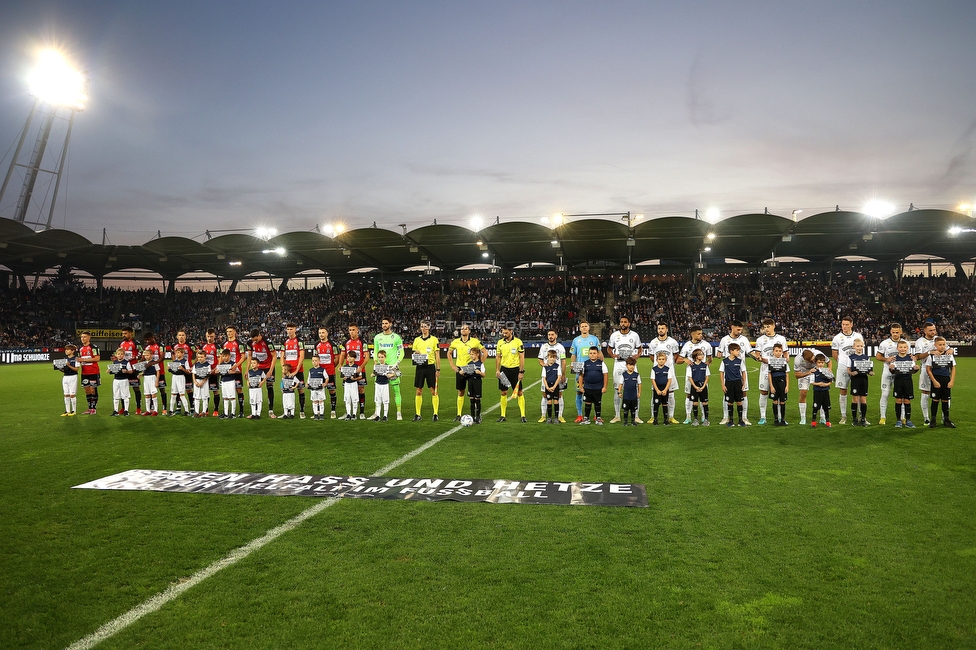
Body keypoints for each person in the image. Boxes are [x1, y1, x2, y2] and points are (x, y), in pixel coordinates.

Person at [716, 321, 753, 425]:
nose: (740, 331)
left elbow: (749, 351)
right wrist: (719, 354)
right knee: (727, 394)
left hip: (740, 371)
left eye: (741, 329)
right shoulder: (724, 340)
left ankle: (744, 417)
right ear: (732, 327)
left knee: (743, 394)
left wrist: (757, 356)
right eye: (738, 329)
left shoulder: (744, 339)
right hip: (729, 372)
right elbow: (719, 352)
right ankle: (726, 417)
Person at [754, 317, 789, 425]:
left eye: (768, 326)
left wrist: (786, 359)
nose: (766, 329)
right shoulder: (760, 340)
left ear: (774, 326)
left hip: (778, 371)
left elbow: (786, 354)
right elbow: (757, 354)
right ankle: (763, 417)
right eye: (764, 327)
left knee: (779, 394)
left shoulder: (781, 339)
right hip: (766, 370)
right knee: (764, 392)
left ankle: (780, 418)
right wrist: (760, 358)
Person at [607, 316, 641, 423]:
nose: (623, 323)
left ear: (629, 324)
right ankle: (617, 416)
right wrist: (613, 355)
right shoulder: (614, 335)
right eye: (621, 321)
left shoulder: (634, 335)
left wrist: (636, 356)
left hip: (631, 365)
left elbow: (640, 349)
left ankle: (636, 416)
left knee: (634, 389)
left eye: (625, 322)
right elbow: (609, 348)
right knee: (617, 389)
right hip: (619, 364)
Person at [448, 324, 486, 422]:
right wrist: (453, 366)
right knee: (460, 392)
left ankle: (477, 415)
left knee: (473, 394)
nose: (463, 330)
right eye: (462, 329)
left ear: (469, 331)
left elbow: (485, 352)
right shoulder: (455, 342)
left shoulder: (475, 341)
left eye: (466, 329)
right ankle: (459, 414)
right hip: (460, 369)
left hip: (471, 369)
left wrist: (479, 363)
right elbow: (449, 353)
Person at [831, 316, 864, 425]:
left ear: (851, 324)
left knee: (859, 392)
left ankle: (861, 416)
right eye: (843, 324)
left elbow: (861, 349)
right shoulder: (837, 337)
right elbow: (834, 353)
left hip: (857, 367)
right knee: (843, 390)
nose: (844, 326)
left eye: (846, 324)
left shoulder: (858, 336)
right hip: (843, 367)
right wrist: (842, 362)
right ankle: (843, 416)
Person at [646, 322, 680, 424]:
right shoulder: (653, 342)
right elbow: (652, 357)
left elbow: (676, 356)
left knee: (670, 395)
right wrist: (659, 366)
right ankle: (653, 416)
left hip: (669, 372)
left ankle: (671, 416)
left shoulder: (673, 342)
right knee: (654, 395)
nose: (660, 330)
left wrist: (668, 365)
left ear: (666, 330)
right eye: (659, 328)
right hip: (657, 372)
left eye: (662, 328)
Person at [678, 325, 712, 424]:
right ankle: (688, 416)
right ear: (692, 334)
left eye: (701, 333)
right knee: (689, 395)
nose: (701, 335)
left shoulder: (706, 345)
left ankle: (703, 416)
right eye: (698, 334)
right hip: (691, 375)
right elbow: (678, 360)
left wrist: (709, 362)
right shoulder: (687, 345)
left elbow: (710, 358)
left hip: (702, 374)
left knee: (702, 396)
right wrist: (685, 359)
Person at [373, 318, 405, 420]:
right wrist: (375, 365)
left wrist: (397, 363)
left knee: (396, 390)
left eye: (386, 323)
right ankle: (377, 413)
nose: (384, 325)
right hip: (381, 368)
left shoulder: (396, 337)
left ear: (390, 324)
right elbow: (375, 351)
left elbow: (402, 352)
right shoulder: (377, 337)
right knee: (378, 391)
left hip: (392, 367)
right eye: (383, 323)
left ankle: (398, 412)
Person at [875, 323, 906, 425]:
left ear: (901, 332)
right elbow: (878, 356)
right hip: (887, 372)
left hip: (900, 373)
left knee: (901, 396)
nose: (895, 334)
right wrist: (886, 359)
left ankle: (903, 417)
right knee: (885, 394)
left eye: (897, 332)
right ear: (890, 332)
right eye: (893, 332)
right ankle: (883, 417)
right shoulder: (885, 343)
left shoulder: (905, 343)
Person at [569, 322, 600, 423]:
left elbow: (599, 353)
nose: (584, 328)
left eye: (586, 326)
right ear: (580, 328)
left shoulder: (594, 339)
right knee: (579, 392)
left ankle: (596, 415)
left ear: (589, 328)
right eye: (582, 326)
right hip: (580, 369)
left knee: (595, 393)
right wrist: (573, 366)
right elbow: (573, 354)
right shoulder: (576, 340)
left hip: (593, 369)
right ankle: (580, 415)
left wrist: (601, 365)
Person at [494, 325, 526, 423]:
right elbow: (498, 357)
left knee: (519, 392)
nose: (504, 334)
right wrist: (497, 370)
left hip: (515, 370)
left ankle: (523, 415)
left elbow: (521, 357)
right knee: (504, 392)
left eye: (506, 333)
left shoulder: (518, 342)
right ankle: (503, 415)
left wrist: (521, 371)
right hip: (504, 370)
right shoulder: (500, 342)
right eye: (503, 333)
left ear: (511, 331)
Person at [337, 323, 369, 419]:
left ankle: (361, 412)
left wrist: (361, 367)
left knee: (361, 389)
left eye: (353, 330)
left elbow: (367, 356)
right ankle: (348, 412)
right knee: (348, 391)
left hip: (360, 369)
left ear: (357, 330)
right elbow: (342, 355)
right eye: (350, 330)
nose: (352, 332)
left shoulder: (363, 342)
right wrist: (340, 365)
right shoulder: (345, 343)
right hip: (348, 370)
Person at [924, 337, 956, 428]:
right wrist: (934, 381)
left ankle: (946, 419)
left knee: (945, 400)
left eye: (943, 345)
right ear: (935, 345)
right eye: (940, 345)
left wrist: (952, 380)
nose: (942, 347)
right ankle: (933, 420)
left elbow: (953, 368)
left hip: (946, 379)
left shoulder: (949, 355)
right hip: (936, 379)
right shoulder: (932, 356)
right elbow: (928, 369)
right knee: (935, 400)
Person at [411, 320, 441, 421]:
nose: (423, 328)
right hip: (420, 367)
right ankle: (418, 414)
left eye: (425, 326)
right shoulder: (416, 340)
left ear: (429, 328)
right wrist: (416, 353)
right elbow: (414, 354)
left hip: (430, 367)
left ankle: (435, 413)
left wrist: (438, 369)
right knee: (419, 390)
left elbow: (437, 355)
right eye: (421, 326)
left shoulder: (434, 340)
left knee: (433, 390)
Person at [913, 321, 940, 425]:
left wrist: (950, 349)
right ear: (924, 331)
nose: (933, 332)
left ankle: (944, 417)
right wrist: (929, 352)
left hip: (939, 368)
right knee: (925, 393)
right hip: (925, 368)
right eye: (931, 330)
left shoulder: (938, 339)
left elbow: (945, 349)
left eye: (934, 329)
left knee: (942, 392)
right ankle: (926, 418)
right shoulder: (920, 341)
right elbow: (918, 356)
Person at [537, 329, 567, 423]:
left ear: (556, 336)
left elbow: (563, 361)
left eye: (552, 334)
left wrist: (563, 374)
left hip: (557, 375)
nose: (550, 336)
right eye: (549, 334)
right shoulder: (544, 347)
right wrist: (544, 366)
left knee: (559, 395)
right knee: (545, 395)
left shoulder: (561, 347)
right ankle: (543, 416)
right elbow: (540, 359)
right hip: (547, 374)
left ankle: (560, 416)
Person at [793, 348, 826, 425]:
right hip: (804, 374)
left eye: (813, 359)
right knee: (803, 393)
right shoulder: (798, 360)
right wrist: (808, 373)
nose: (812, 362)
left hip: (817, 374)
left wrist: (829, 370)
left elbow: (829, 362)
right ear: (804, 359)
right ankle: (803, 417)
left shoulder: (818, 353)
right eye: (810, 361)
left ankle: (822, 417)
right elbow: (797, 375)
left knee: (821, 394)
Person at [889, 340, 918, 428]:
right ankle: (898, 420)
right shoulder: (894, 358)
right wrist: (891, 368)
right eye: (901, 347)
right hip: (898, 381)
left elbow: (913, 370)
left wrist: (917, 368)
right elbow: (892, 371)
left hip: (908, 381)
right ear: (897, 348)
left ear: (907, 348)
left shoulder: (911, 358)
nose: (902, 349)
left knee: (907, 400)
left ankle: (908, 420)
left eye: (904, 347)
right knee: (898, 400)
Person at [249, 329, 277, 418]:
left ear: (259, 335)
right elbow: (250, 355)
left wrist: (271, 370)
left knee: (269, 387)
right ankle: (255, 412)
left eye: (256, 339)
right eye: (253, 340)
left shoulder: (267, 342)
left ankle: (271, 410)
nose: (254, 342)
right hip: (259, 368)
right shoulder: (251, 343)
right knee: (256, 387)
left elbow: (274, 356)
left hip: (268, 367)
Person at [281, 323, 307, 419]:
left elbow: (302, 356)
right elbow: (282, 356)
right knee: (287, 390)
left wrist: (296, 371)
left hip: (298, 370)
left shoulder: (299, 341)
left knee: (300, 389)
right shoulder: (284, 342)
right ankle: (287, 411)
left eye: (291, 329)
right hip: (287, 371)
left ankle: (301, 410)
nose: (289, 331)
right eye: (288, 329)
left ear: (295, 329)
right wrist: (283, 370)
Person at [312, 326, 338, 419]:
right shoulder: (316, 344)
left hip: (330, 371)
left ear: (327, 333)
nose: (321, 335)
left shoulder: (332, 344)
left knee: (332, 391)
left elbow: (336, 358)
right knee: (318, 391)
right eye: (319, 333)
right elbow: (315, 358)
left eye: (323, 332)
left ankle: (333, 410)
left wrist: (331, 366)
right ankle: (318, 411)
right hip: (319, 373)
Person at [847, 338, 874, 427]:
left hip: (864, 379)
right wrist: (851, 373)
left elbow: (869, 369)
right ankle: (854, 419)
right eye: (857, 346)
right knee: (854, 399)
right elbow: (848, 369)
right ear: (854, 347)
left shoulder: (866, 357)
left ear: (863, 346)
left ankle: (863, 418)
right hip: (855, 380)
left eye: (861, 346)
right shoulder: (851, 357)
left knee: (863, 399)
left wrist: (871, 373)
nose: (859, 348)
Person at [578, 346, 608, 425]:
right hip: (587, 387)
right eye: (590, 353)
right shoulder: (585, 364)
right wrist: (581, 386)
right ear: (588, 354)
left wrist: (604, 387)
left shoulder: (601, 364)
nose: (592, 355)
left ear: (598, 354)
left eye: (594, 353)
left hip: (598, 388)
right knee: (587, 402)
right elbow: (581, 375)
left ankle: (598, 418)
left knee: (597, 403)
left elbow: (605, 375)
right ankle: (586, 418)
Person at [222, 325, 247, 418]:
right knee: (226, 392)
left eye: (231, 331)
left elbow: (243, 356)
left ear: (235, 332)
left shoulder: (239, 344)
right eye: (227, 331)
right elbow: (222, 356)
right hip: (226, 371)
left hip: (236, 371)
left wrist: (235, 365)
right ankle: (228, 412)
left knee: (238, 390)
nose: (229, 333)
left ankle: (241, 411)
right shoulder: (224, 344)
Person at [720, 342, 746, 427]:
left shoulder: (739, 361)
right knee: (730, 402)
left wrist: (744, 383)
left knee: (739, 402)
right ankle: (730, 420)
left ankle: (740, 420)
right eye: (737, 350)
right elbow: (721, 373)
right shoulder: (725, 361)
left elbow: (743, 372)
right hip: (729, 383)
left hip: (738, 383)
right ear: (731, 351)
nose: (738, 352)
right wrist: (723, 385)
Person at [119, 326, 143, 414]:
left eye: (125, 333)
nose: (124, 335)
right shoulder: (121, 343)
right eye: (123, 334)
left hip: (134, 368)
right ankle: (123, 408)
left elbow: (142, 353)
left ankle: (138, 408)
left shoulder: (136, 342)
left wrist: (134, 357)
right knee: (123, 388)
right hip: (124, 368)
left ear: (130, 333)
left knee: (136, 388)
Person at [78, 331, 101, 415]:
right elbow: (80, 360)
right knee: (87, 390)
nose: (82, 338)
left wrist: (83, 360)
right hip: (84, 372)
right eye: (81, 337)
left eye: (84, 337)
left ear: (89, 337)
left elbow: (97, 358)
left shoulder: (93, 347)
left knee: (93, 389)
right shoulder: (80, 349)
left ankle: (94, 408)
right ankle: (89, 407)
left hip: (93, 371)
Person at [767, 343, 790, 426]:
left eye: (780, 351)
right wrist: (771, 386)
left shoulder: (784, 361)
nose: (778, 352)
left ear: (782, 352)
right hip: (774, 382)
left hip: (782, 382)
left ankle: (783, 419)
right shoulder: (771, 361)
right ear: (773, 352)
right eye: (776, 351)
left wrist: (787, 385)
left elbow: (787, 374)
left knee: (783, 401)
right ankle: (776, 419)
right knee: (775, 400)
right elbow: (769, 374)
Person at [143, 333, 167, 415]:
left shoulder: (160, 345)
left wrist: (152, 363)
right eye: (146, 340)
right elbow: (143, 359)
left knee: (162, 389)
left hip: (160, 371)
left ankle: (164, 408)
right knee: (150, 391)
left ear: (153, 338)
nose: (147, 341)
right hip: (150, 372)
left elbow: (162, 358)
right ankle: (151, 409)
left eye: (148, 339)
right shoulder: (147, 347)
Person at [650, 351, 675, 425]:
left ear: (665, 360)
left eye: (663, 359)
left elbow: (669, 380)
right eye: (660, 359)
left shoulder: (667, 369)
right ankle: (655, 420)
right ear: (657, 360)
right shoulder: (654, 369)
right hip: (657, 389)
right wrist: (657, 389)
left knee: (665, 404)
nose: (661, 361)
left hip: (665, 389)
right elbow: (653, 380)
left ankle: (665, 420)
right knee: (656, 404)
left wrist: (665, 390)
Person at [686, 348, 710, 426]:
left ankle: (706, 419)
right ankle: (695, 419)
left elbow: (707, 377)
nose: (702, 356)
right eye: (700, 354)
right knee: (695, 403)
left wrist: (703, 386)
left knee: (705, 403)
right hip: (694, 386)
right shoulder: (691, 366)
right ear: (696, 356)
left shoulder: (705, 365)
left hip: (703, 386)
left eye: (702, 354)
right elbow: (690, 377)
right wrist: (695, 386)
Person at [173, 330, 194, 413]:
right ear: (177, 337)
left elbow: (199, 352)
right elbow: (173, 356)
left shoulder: (190, 345)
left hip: (187, 370)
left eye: (183, 335)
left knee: (189, 389)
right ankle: (178, 407)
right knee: (178, 389)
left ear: (185, 336)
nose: (181, 336)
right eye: (179, 335)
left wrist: (193, 364)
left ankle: (192, 407)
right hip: (179, 370)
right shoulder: (174, 346)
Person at [202, 328, 221, 417]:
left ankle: (216, 410)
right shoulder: (204, 347)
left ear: (214, 336)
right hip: (205, 372)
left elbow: (219, 358)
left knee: (215, 391)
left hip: (213, 372)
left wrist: (216, 369)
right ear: (206, 336)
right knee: (205, 391)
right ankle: (205, 409)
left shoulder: (217, 347)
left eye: (211, 336)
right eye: (208, 336)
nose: (209, 338)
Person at [371, 349, 395, 421]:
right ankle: (378, 415)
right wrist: (372, 375)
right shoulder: (376, 366)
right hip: (378, 384)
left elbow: (393, 374)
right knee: (378, 400)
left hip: (385, 384)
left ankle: (385, 416)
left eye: (382, 357)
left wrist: (388, 375)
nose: (380, 359)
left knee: (385, 400)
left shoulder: (387, 366)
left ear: (385, 357)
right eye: (379, 357)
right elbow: (374, 373)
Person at [167, 346, 192, 416]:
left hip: (181, 377)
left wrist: (182, 369)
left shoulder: (185, 362)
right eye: (176, 353)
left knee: (182, 395)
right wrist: (169, 369)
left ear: (182, 353)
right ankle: (171, 410)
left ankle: (187, 411)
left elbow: (188, 372)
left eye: (178, 353)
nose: (177, 354)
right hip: (174, 377)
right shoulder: (174, 362)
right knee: (173, 394)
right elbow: (173, 371)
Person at [811, 354, 833, 428]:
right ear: (816, 363)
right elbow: (811, 382)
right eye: (819, 362)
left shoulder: (827, 370)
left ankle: (827, 421)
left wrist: (826, 385)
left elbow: (831, 381)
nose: (821, 364)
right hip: (817, 391)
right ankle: (813, 422)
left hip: (825, 391)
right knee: (816, 407)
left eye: (822, 362)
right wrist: (818, 384)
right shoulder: (814, 371)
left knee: (826, 407)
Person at [109, 348, 133, 416]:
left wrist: (127, 371)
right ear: (116, 355)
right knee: (116, 396)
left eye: (121, 354)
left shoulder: (126, 362)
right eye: (118, 354)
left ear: (124, 355)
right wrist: (109, 371)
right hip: (116, 380)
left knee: (125, 395)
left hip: (124, 380)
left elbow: (130, 371)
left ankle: (126, 410)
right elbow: (113, 371)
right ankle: (115, 411)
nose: (120, 355)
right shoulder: (115, 362)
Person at [339, 351, 364, 420]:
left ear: (354, 358)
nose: (349, 358)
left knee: (354, 399)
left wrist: (355, 378)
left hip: (353, 384)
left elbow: (361, 377)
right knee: (347, 399)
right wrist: (344, 378)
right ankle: (348, 414)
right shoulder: (345, 367)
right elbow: (342, 376)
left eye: (351, 357)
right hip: (347, 384)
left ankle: (354, 414)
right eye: (348, 357)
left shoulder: (357, 367)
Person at [56, 344, 79, 416]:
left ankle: (74, 410)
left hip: (73, 377)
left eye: (68, 349)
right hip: (65, 377)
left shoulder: (76, 359)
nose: (66, 351)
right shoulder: (65, 360)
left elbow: (77, 369)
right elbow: (64, 370)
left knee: (72, 395)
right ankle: (67, 411)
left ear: (72, 351)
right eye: (66, 349)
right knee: (66, 394)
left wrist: (69, 365)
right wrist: (59, 368)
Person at [465, 346, 486, 424]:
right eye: (470, 354)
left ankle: (478, 416)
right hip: (470, 382)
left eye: (472, 354)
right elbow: (466, 374)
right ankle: (472, 416)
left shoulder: (480, 364)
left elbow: (484, 375)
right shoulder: (469, 363)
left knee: (477, 399)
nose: (471, 356)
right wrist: (464, 373)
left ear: (477, 354)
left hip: (477, 382)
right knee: (471, 399)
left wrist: (479, 372)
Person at [542, 348, 563, 424]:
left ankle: (556, 418)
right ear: (547, 357)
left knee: (556, 401)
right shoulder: (545, 367)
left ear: (555, 358)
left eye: (554, 357)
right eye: (550, 357)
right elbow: (544, 378)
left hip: (555, 386)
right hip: (548, 386)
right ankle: (549, 418)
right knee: (549, 401)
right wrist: (547, 387)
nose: (552, 359)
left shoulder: (557, 366)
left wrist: (554, 386)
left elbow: (559, 377)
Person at [618, 356, 641, 426]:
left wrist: (639, 393)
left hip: (634, 396)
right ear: (626, 365)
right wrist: (619, 392)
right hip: (626, 396)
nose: (632, 367)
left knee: (633, 410)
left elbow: (639, 384)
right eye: (630, 365)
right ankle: (625, 421)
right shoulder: (624, 375)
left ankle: (633, 421)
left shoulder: (636, 375)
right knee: (626, 409)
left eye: (633, 365)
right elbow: (621, 384)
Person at [216, 349, 238, 419]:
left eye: (226, 356)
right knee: (225, 397)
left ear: (229, 356)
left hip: (230, 381)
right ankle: (225, 413)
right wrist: (217, 371)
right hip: (223, 381)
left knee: (232, 397)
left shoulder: (233, 363)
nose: (224, 357)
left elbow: (238, 371)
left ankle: (233, 413)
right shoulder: (221, 364)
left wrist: (233, 372)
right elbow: (217, 371)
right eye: (223, 356)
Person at [139, 348, 160, 416]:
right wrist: (141, 374)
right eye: (145, 355)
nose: (146, 357)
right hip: (146, 379)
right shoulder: (144, 363)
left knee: (153, 394)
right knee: (147, 395)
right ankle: (148, 410)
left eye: (147, 355)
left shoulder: (154, 362)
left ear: (151, 355)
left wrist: (157, 381)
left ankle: (155, 410)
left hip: (152, 378)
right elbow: (144, 372)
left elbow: (158, 371)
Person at [307, 356, 328, 420]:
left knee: (321, 401)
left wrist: (325, 383)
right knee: (314, 401)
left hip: (320, 389)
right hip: (313, 388)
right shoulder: (311, 370)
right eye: (313, 361)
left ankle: (321, 415)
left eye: (316, 360)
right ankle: (315, 415)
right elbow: (309, 378)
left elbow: (327, 377)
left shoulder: (322, 370)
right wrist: (307, 384)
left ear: (319, 361)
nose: (314, 362)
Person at [191, 350, 212, 417]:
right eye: (199, 357)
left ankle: (204, 412)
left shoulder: (207, 365)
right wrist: (195, 382)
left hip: (204, 383)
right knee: (196, 397)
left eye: (201, 357)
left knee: (204, 397)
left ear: (205, 357)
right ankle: (196, 412)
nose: (200, 358)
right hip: (197, 382)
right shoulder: (196, 364)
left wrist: (203, 382)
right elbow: (193, 374)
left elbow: (208, 375)